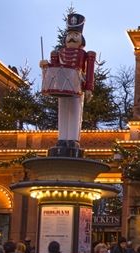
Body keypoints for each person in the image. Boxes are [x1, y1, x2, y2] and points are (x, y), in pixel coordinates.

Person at [39, 12, 96, 156]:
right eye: (70, 34)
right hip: (62, 87)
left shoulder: (86, 54)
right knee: (62, 111)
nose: (72, 37)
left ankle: (73, 139)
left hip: (77, 86)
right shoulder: (59, 52)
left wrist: (89, 88)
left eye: (75, 34)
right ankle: (62, 138)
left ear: (81, 39)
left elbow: (89, 71)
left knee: (76, 112)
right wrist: (45, 65)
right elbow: (54, 68)